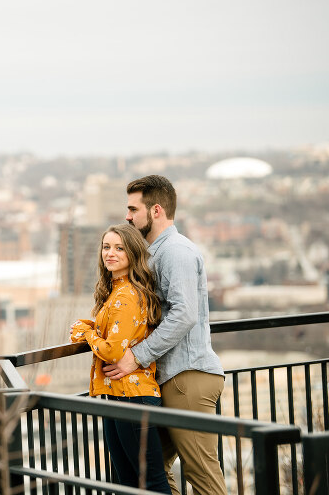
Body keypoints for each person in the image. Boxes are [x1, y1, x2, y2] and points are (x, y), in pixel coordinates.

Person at [102, 175, 226, 495]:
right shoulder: (155, 253)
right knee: (151, 472)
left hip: (187, 378)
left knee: (203, 477)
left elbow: (183, 314)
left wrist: (136, 357)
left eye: (133, 209)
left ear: (155, 210)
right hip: (171, 380)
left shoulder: (175, 252)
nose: (127, 217)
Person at [70, 223, 172, 494]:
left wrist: (85, 333)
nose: (110, 253)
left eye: (119, 248)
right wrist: (92, 328)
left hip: (133, 396)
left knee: (150, 480)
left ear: (132, 254)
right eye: (106, 247)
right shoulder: (117, 291)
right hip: (120, 393)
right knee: (127, 481)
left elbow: (113, 351)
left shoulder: (125, 296)